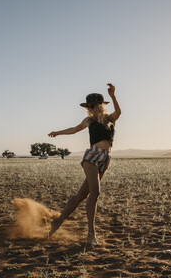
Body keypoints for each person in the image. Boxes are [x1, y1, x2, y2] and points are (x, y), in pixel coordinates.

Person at [48, 83, 121, 246]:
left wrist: (113, 96)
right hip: (92, 157)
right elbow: (74, 129)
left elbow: (119, 112)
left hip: (106, 158)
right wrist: (58, 132)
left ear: (101, 105)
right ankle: (91, 235)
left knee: (81, 195)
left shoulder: (110, 120)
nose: (90, 108)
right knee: (95, 193)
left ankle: (57, 222)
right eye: (88, 106)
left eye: (93, 105)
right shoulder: (88, 120)